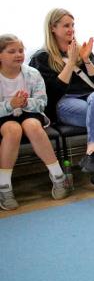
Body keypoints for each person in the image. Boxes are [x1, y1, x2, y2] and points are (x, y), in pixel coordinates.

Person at [29, 9, 94, 194]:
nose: (71, 29)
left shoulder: (82, 51)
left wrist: (86, 59)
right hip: (65, 103)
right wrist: (70, 63)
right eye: (66, 26)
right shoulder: (41, 57)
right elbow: (51, 94)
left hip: (93, 101)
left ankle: (92, 155)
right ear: (52, 28)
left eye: (72, 25)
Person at [0, 34, 72, 209]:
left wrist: (25, 103)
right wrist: (10, 105)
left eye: (20, 51)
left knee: (32, 125)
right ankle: (4, 186)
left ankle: (58, 176)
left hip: (29, 112)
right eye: (12, 51)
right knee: (13, 130)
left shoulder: (32, 73)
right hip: (3, 116)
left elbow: (42, 102)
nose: (18, 55)